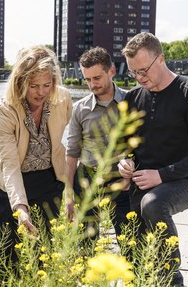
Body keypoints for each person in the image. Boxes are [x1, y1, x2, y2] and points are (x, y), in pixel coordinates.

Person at [118, 32, 188, 287]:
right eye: (133, 73)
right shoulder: (132, 98)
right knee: (135, 249)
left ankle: (173, 280)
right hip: (142, 181)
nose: (140, 78)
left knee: (152, 204)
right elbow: (125, 146)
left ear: (160, 58)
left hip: (186, 181)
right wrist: (125, 162)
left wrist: (161, 175)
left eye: (144, 70)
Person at [0, 45, 72, 266]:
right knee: (8, 254)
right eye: (34, 86)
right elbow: (9, 165)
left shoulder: (62, 100)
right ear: (20, 82)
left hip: (48, 180)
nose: (41, 92)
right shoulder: (5, 110)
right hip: (8, 184)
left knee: (45, 251)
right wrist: (21, 209)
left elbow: (71, 141)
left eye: (47, 85)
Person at [65, 47, 131, 240]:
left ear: (111, 71)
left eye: (97, 78)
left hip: (121, 182)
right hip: (86, 181)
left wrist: (129, 179)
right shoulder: (79, 109)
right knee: (85, 244)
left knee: (129, 242)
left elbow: (143, 146)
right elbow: (72, 153)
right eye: (87, 79)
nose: (92, 84)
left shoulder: (132, 101)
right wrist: (69, 196)